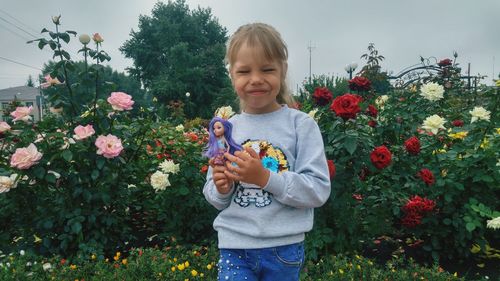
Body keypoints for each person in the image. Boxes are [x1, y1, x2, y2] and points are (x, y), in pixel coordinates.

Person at [203, 23, 331, 281]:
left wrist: (265, 178)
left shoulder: (300, 125)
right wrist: (222, 187)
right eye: (244, 71)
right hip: (233, 246)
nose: (256, 79)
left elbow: (318, 189)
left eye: (267, 69)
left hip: (283, 248)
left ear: (282, 71)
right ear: (232, 76)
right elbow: (214, 197)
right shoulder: (226, 129)